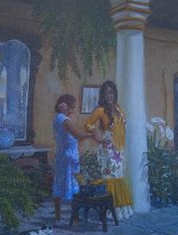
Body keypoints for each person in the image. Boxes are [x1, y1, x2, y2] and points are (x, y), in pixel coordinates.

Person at [83, 80, 133, 217]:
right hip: (107, 151)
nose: (109, 96)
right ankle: (109, 211)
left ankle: (119, 209)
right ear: (102, 96)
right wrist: (98, 136)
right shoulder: (100, 110)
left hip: (119, 150)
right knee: (111, 178)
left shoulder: (118, 109)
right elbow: (87, 124)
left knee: (119, 177)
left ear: (115, 93)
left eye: (111, 93)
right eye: (106, 94)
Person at [51, 93, 95, 223]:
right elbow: (77, 134)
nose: (73, 109)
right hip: (68, 157)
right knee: (73, 186)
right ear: (65, 106)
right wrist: (92, 135)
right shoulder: (64, 120)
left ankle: (58, 215)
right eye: (72, 107)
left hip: (61, 155)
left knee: (59, 184)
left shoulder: (57, 118)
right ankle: (74, 215)